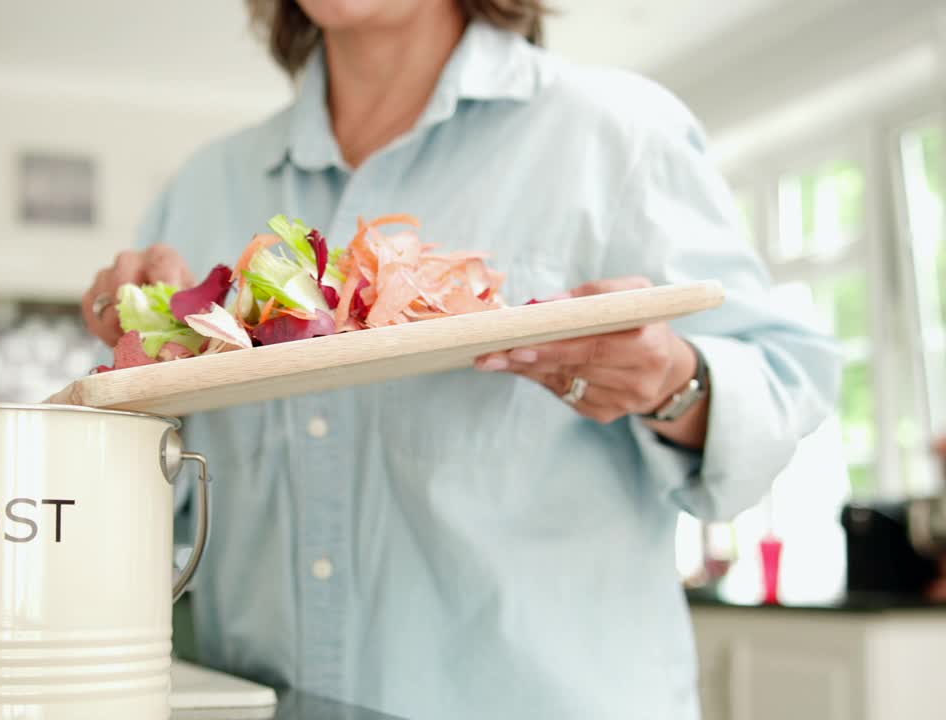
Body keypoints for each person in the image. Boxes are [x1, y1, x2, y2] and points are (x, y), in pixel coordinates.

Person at [82, 1, 840, 717]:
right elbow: (149, 494)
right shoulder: (206, 187)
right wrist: (131, 384)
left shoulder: (617, 135)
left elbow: (781, 384)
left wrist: (677, 383)